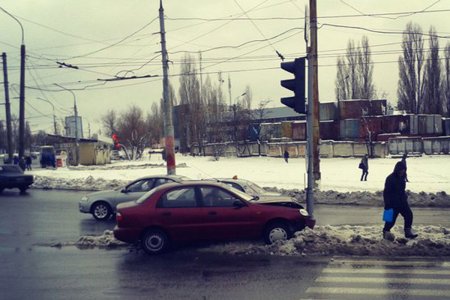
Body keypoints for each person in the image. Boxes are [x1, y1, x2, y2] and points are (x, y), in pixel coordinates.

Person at [382, 161, 418, 240]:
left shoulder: (402, 177)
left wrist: (404, 196)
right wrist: (387, 204)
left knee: (409, 215)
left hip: (402, 202)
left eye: (404, 170)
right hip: (392, 203)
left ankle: (408, 232)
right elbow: (386, 192)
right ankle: (385, 232)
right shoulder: (390, 178)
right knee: (390, 220)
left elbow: (401, 190)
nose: (403, 171)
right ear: (397, 169)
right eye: (401, 169)